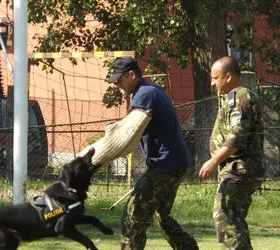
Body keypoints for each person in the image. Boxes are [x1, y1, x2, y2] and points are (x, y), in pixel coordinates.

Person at [80, 57, 198, 250]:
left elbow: (126, 136)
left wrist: (91, 158)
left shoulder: (144, 94)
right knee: (160, 216)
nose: (116, 85)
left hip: (165, 164)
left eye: (119, 80)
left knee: (132, 214)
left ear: (132, 75)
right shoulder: (152, 90)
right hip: (177, 163)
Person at [199, 56, 264, 250]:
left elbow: (236, 138)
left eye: (215, 77)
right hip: (240, 167)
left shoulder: (240, 98)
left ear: (228, 76)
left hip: (239, 167)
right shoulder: (239, 97)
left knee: (225, 215)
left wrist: (213, 161)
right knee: (234, 218)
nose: (212, 83)